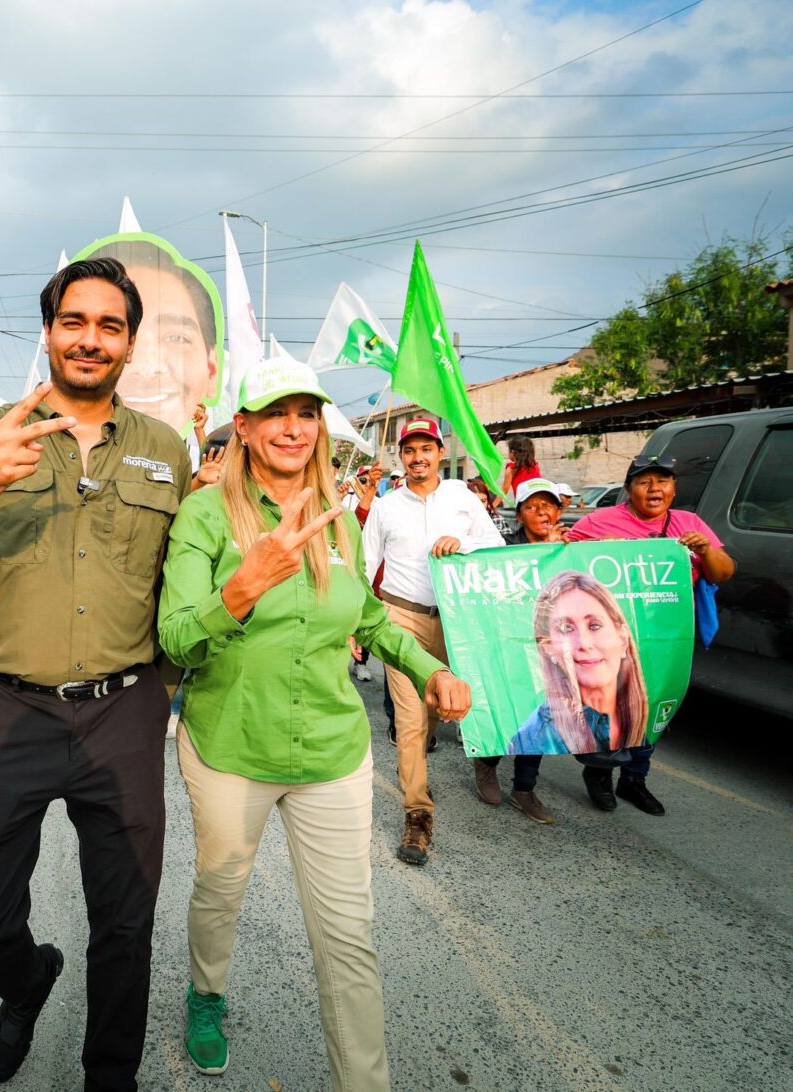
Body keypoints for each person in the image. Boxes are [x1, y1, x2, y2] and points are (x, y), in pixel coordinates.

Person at [0, 257, 192, 1091]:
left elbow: (179, 584)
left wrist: (159, 690)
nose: (90, 338)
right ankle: (27, 982)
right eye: (74, 320)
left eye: (109, 325)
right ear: (49, 330)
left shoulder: (167, 449)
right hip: (3, 708)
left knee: (126, 924)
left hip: (124, 711)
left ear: (129, 344)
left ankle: (110, 1076)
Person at [159, 358, 470, 1089]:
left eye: (307, 412)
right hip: (231, 747)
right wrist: (239, 589)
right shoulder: (205, 515)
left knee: (348, 936)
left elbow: (368, 618)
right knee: (220, 891)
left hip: (333, 752)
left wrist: (434, 672)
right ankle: (206, 994)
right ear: (244, 427)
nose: (295, 427)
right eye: (276, 412)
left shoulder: (340, 518)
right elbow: (175, 639)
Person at [362, 417, 504, 865]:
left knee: (437, 712)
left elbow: (496, 549)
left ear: (441, 453)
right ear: (400, 457)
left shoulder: (462, 499)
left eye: (426, 449)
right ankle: (418, 814)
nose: (418, 457)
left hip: (456, 621)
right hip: (400, 618)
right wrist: (356, 629)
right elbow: (366, 567)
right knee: (409, 719)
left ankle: (422, 752)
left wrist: (461, 543)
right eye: (409, 450)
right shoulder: (386, 507)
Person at [566, 453, 735, 815]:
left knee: (657, 706)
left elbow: (723, 573)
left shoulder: (690, 524)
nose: (654, 488)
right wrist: (594, 547)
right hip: (613, 642)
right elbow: (562, 556)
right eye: (644, 482)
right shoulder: (599, 521)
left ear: (673, 489)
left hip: (668, 639)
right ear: (629, 490)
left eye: (663, 481)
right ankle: (600, 773)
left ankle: (634, 780)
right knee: (611, 709)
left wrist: (704, 550)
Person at [472, 479, 568, 824]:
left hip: (549, 648)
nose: (542, 512)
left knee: (542, 713)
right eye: (532, 506)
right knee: (509, 709)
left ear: (559, 511)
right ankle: (487, 763)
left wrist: (560, 554)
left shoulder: (570, 548)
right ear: (520, 514)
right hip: (509, 643)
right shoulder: (504, 548)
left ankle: (524, 789)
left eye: (549, 506)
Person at [83, 238, 219, 436]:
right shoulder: (34, 447)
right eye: (114, 332)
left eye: (176, 338)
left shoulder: (179, 459)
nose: (146, 369)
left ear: (212, 370)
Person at [507, 571, 649, 759]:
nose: (584, 644)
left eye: (595, 626)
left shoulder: (645, 722)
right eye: (566, 629)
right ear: (548, 646)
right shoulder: (535, 736)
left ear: (622, 638)